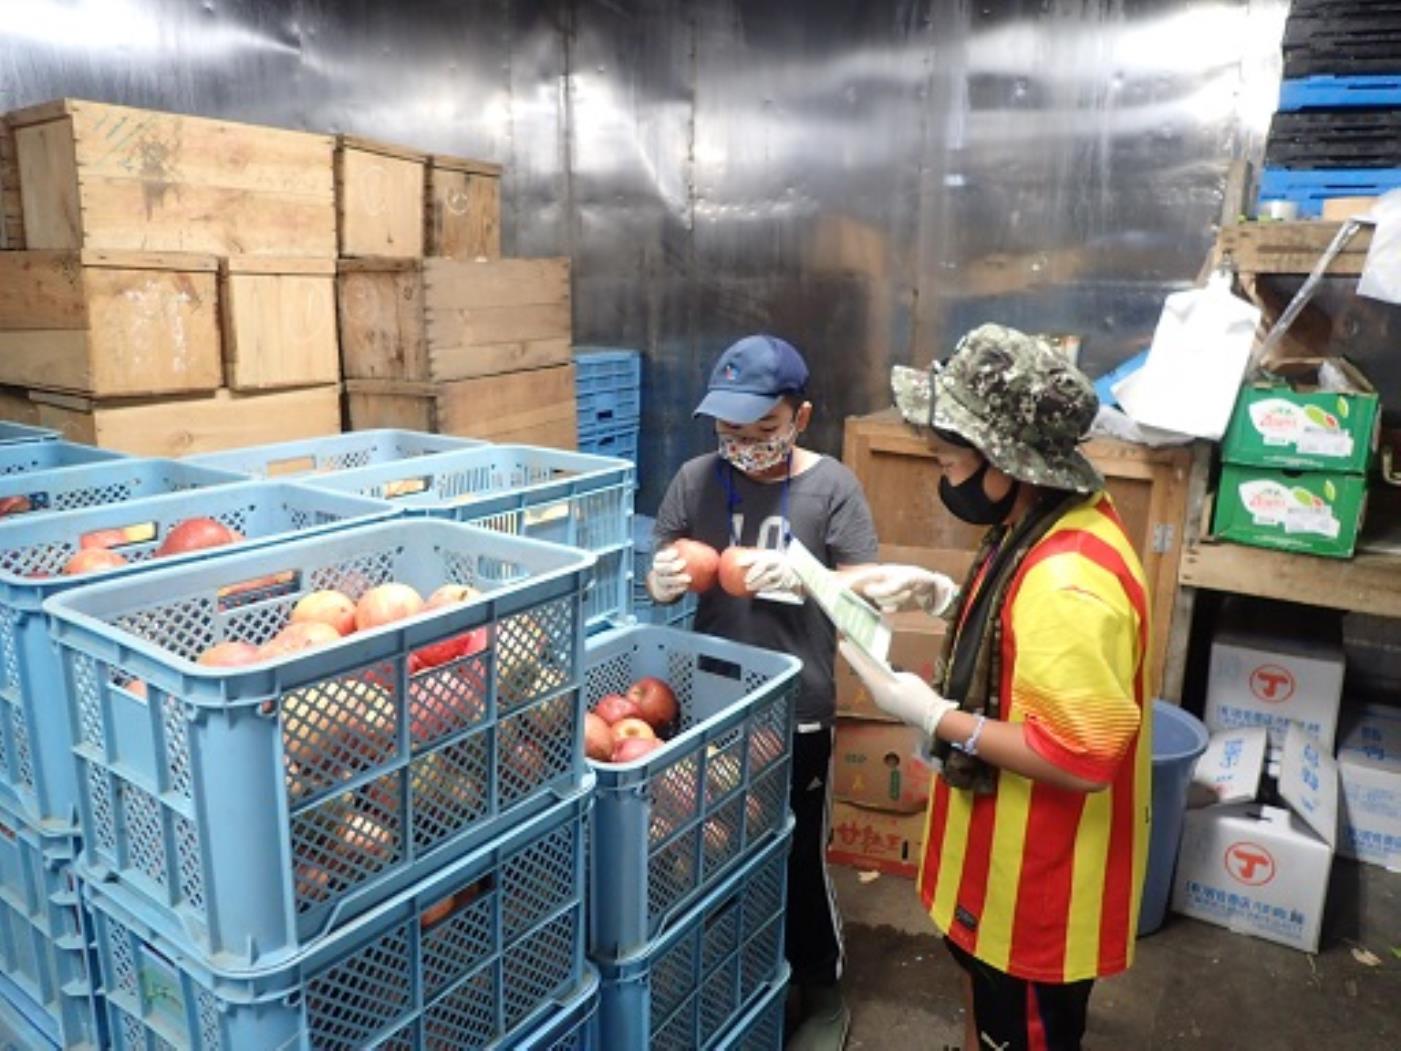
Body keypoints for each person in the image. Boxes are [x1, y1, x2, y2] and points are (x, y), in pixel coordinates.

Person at [841, 324, 1152, 1051]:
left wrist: (936, 716)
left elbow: (1081, 757)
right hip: (997, 863)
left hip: (1038, 883)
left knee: (1022, 1025)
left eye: (951, 458)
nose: (943, 473)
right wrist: (944, 596)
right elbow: (1025, 640)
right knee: (986, 1002)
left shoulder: (1067, 581)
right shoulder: (1042, 520)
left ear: (1009, 462)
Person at [648, 334, 878, 1050]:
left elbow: (867, 601)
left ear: (799, 417)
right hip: (708, 702)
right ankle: (739, 975)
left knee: (797, 853)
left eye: (762, 429)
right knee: (709, 845)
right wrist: (660, 580)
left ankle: (823, 994)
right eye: (730, 430)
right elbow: (666, 558)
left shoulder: (831, 487)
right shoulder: (695, 479)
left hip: (796, 708)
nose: (743, 445)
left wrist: (810, 579)